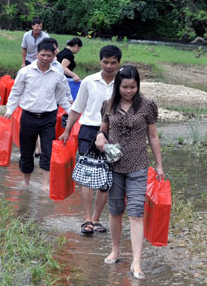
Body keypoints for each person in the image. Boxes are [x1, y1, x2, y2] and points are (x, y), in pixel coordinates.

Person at [95, 65, 164, 280]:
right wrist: (99, 138)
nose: (129, 91)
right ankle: (116, 249)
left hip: (138, 166)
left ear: (138, 86)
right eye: (125, 87)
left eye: (133, 87)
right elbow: (102, 131)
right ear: (118, 86)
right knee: (115, 210)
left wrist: (159, 165)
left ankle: (136, 261)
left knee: (136, 212)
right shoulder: (108, 105)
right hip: (114, 166)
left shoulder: (147, 106)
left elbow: (153, 137)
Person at [59, 45, 122, 235]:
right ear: (100, 61)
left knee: (106, 178)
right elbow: (77, 108)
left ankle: (96, 218)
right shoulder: (89, 81)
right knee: (87, 175)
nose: (109, 66)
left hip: (114, 132)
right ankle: (86, 218)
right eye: (105, 62)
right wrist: (67, 131)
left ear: (119, 63)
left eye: (113, 63)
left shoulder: (123, 82)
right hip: (88, 130)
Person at [5, 41, 71, 190]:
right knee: (26, 152)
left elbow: (61, 96)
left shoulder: (57, 73)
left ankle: (45, 185)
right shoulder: (26, 72)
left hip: (49, 117)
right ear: (37, 54)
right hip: (28, 116)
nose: (46, 58)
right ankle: (26, 183)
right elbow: (16, 92)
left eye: (49, 55)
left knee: (47, 151)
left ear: (54, 56)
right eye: (43, 55)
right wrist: (9, 110)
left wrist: (71, 111)